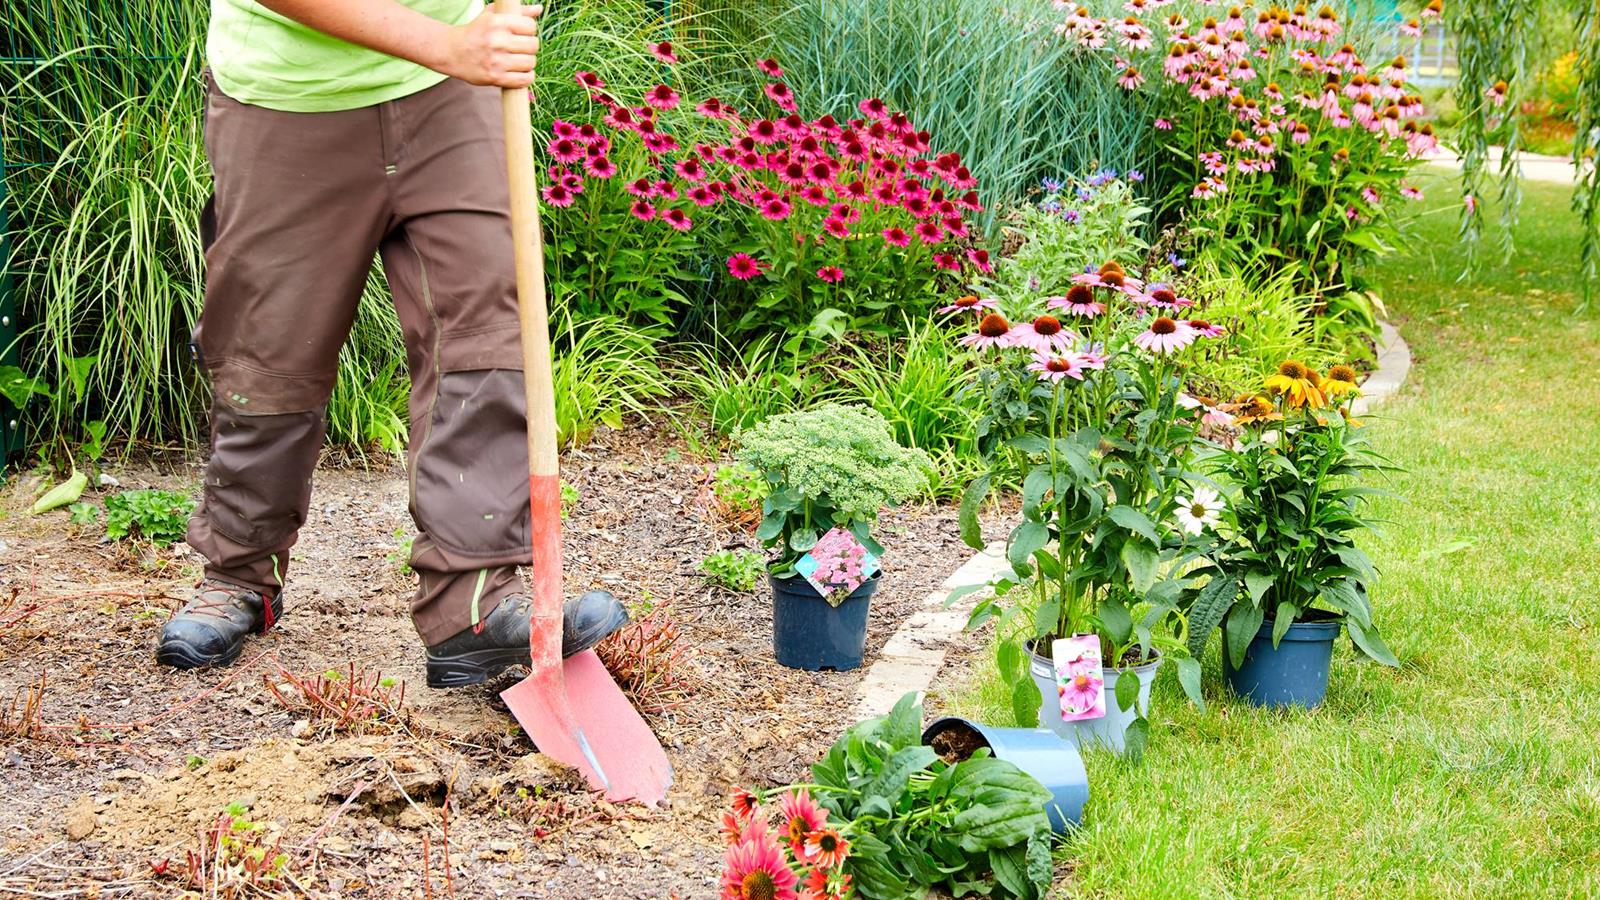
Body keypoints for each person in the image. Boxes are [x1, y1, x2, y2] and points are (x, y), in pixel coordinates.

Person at [156, 0, 626, 687]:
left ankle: (473, 603)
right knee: (270, 353)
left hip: (448, 95)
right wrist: (450, 46)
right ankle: (239, 570)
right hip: (292, 99)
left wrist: (468, 50)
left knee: (484, 333)